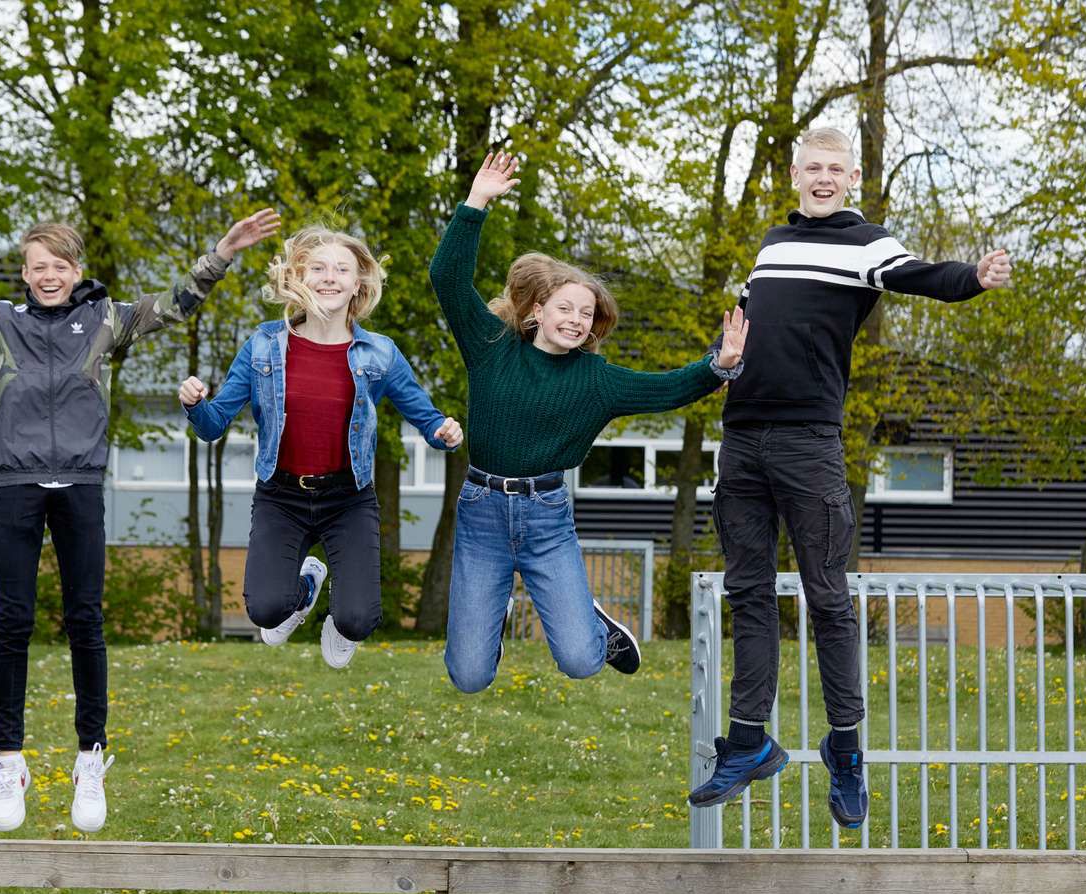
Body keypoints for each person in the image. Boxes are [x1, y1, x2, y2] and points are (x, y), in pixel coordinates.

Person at [0, 167, 279, 835]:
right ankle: (9, 762)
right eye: (36, 266)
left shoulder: (104, 321)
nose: (48, 274)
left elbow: (174, 303)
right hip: (15, 484)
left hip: (79, 484)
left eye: (59, 264)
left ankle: (89, 758)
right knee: (13, 623)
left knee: (86, 620)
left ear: (77, 268)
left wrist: (222, 252)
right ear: (23, 273)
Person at [688, 126, 1013, 829]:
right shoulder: (773, 242)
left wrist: (973, 279)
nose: (824, 176)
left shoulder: (867, 243)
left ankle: (846, 750)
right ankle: (748, 742)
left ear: (853, 175)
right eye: (813, 166)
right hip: (742, 437)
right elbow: (750, 330)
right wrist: (724, 354)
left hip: (809, 442)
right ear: (795, 172)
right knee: (746, 591)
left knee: (827, 599)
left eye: (836, 168)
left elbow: (922, 274)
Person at [430, 152, 745, 694]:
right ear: (536, 311)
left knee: (580, 660)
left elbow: (665, 388)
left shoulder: (595, 380)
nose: (577, 320)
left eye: (587, 314)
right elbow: (448, 278)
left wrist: (720, 366)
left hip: (546, 515)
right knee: (469, 676)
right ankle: (487, 629)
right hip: (482, 512)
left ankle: (592, 622)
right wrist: (476, 202)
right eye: (567, 308)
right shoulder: (491, 349)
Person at [182, 226, 462, 667]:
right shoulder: (263, 346)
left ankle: (340, 622)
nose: (329, 277)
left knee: (358, 619)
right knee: (265, 611)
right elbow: (213, 425)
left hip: (348, 498)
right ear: (299, 276)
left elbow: (427, 418)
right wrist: (195, 404)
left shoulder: (379, 353)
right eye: (318, 268)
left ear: (358, 283)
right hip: (281, 496)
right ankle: (304, 591)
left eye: (341, 269)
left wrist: (443, 433)